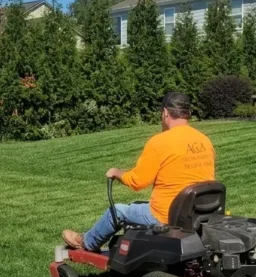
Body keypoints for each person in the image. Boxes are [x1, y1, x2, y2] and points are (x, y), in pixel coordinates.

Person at [62, 92, 216, 251]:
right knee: (136, 206)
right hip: (196, 215)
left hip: (166, 216)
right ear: (187, 114)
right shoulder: (204, 140)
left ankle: (86, 242)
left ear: (165, 113)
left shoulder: (160, 142)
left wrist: (117, 172)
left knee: (118, 211)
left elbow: (137, 181)